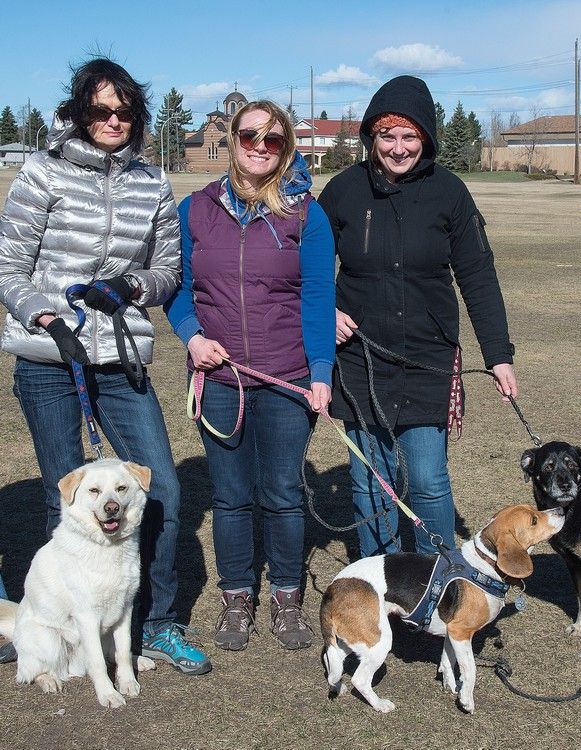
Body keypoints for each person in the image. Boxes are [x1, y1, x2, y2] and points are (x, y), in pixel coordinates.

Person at [0, 58, 210, 674]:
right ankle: (64, 629)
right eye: (101, 110)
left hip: (122, 358)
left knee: (161, 489)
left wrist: (131, 286)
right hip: (49, 357)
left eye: (124, 111)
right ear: (81, 112)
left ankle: (157, 624)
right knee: (64, 494)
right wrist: (46, 316)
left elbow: (169, 271)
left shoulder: (153, 183)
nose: (113, 120)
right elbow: (9, 268)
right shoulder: (41, 173)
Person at [317, 76, 517, 557]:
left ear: (425, 139)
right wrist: (327, 311)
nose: (398, 148)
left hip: (428, 357)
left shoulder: (450, 192)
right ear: (372, 137)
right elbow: (309, 272)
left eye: (410, 137)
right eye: (388, 136)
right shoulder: (342, 192)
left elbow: (478, 276)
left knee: (427, 479)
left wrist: (499, 355)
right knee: (372, 483)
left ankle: (438, 585)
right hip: (360, 357)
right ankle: (380, 584)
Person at [165, 101, 334, 651]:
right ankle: (236, 596)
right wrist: (193, 336)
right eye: (250, 135)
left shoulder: (306, 213)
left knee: (282, 493)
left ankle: (287, 595)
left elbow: (316, 297)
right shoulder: (195, 209)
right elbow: (178, 290)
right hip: (220, 381)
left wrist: (321, 372)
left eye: (274, 139)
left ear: (286, 149)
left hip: (286, 378)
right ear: (233, 139)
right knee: (232, 494)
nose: (261, 146)